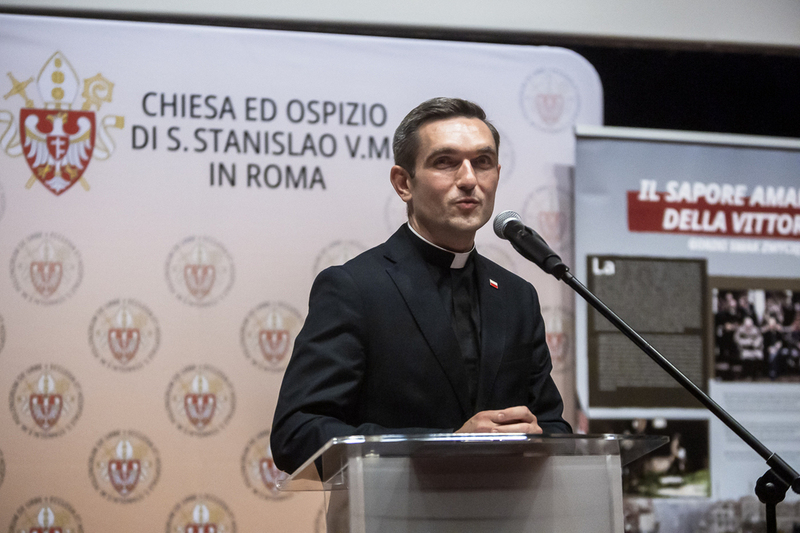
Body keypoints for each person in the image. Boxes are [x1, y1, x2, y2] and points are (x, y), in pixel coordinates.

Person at [271, 97, 570, 475]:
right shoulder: (355, 288)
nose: (468, 179)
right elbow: (296, 433)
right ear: (403, 183)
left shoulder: (516, 295)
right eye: (445, 162)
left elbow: (553, 424)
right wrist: (443, 447)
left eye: (482, 162)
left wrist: (538, 436)